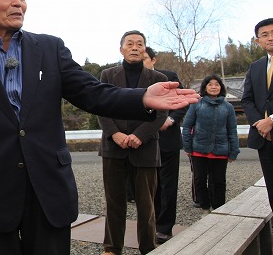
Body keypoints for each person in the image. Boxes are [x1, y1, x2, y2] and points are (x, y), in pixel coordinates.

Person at [0, 0, 200, 255]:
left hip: (47, 187)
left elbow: (92, 93)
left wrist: (143, 98)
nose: (18, 2)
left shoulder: (49, 49)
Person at [98, 32, 167, 255]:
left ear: (145, 49)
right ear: (121, 49)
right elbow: (100, 106)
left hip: (145, 147)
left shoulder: (158, 78)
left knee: (146, 204)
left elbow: (161, 113)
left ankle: (148, 247)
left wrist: (140, 135)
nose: (135, 47)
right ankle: (111, 248)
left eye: (139, 44)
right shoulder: (108, 75)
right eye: (130, 44)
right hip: (113, 146)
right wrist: (114, 134)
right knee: (114, 201)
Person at [243, 17, 273, 240]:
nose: (270, 38)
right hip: (264, 138)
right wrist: (260, 123)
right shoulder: (256, 67)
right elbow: (247, 99)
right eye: (265, 35)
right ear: (258, 41)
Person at [143, 47, 187, 244]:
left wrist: (170, 119)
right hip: (144, 141)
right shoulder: (131, 81)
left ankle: (164, 227)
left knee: (168, 185)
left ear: (153, 59)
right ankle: (149, 224)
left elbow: (183, 101)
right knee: (149, 186)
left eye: (145, 58)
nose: (141, 61)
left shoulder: (168, 77)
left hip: (167, 138)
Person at [182, 75, 239, 210]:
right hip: (198, 150)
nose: (213, 87)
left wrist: (233, 151)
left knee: (218, 182)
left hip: (220, 150)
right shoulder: (196, 104)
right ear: (205, 87)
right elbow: (186, 126)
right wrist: (188, 147)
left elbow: (232, 130)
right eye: (210, 84)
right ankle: (205, 207)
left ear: (221, 87)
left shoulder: (228, 107)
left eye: (217, 84)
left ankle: (219, 208)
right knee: (199, 181)